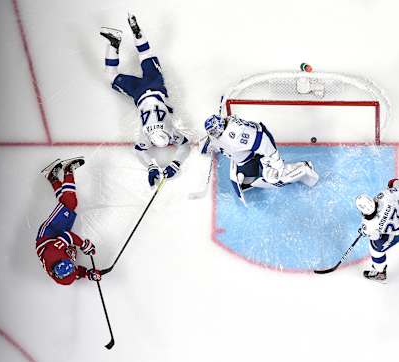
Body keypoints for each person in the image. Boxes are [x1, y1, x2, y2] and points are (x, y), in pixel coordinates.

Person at [100, 14, 191, 187]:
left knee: (146, 54)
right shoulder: (146, 135)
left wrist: (165, 165)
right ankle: (114, 42)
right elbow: (140, 151)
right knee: (112, 76)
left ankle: (136, 31)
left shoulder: (170, 129)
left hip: (155, 87)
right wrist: (154, 166)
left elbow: (185, 146)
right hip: (138, 94)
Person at [200, 114, 319, 203]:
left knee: (275, 179)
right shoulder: (225, 125)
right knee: (247, 180)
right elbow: (213, 140)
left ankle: (304, 167)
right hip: (249, 151)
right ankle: (258, 166)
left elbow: (262, 139)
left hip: (265, 148)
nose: (213, 133)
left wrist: (271, 159)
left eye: (214, 131)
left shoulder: (235, 136)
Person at [36, 157, 102, 285]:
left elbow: (67, 236)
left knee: (70, 204)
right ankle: (52, 177)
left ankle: (68, 170)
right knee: (66, 204)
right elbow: (76, 273)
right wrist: (89, 274)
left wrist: (83, 245)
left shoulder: (53, 254)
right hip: (56, 240)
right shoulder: (66, 278)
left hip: (48, 234)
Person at [356, 178, 399, 282]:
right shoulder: (385, 195)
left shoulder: (368, 225)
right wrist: (395, 183)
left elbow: (376, 237)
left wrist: (364, 232)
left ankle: (380, 273)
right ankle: (379, 269)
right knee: (391, 186)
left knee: (375, 248)